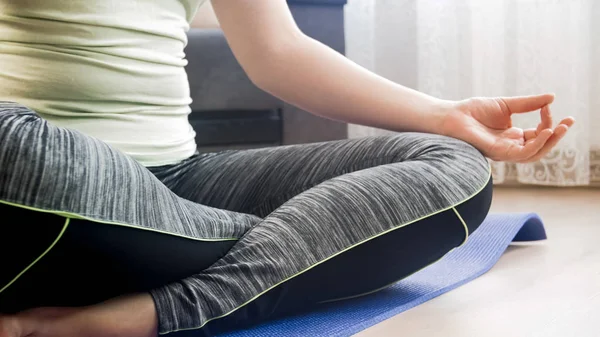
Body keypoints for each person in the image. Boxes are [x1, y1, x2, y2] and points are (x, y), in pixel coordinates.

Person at [0, 1, 574, 336]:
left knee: (453, 168)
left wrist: (446, 114)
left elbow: (280, 52)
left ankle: (148, 313)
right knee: (17, 146)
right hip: (42, 173)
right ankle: (301, 249)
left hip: (175, 183)